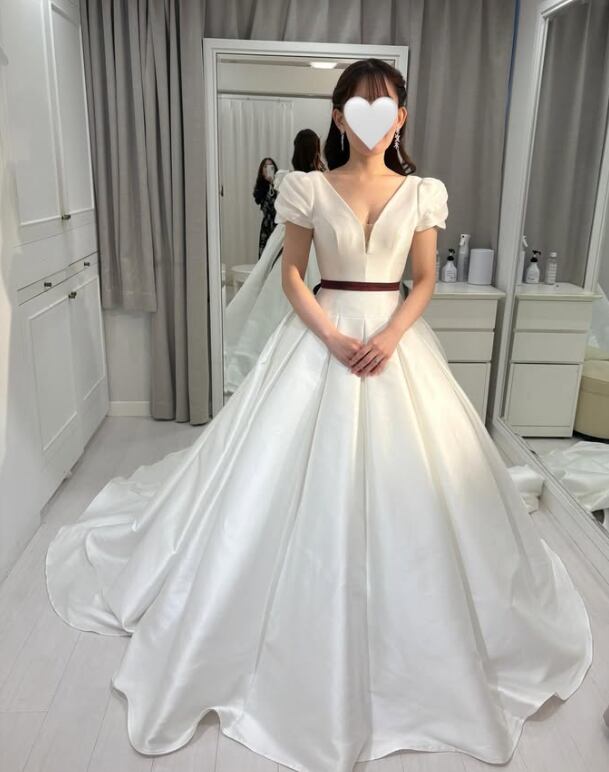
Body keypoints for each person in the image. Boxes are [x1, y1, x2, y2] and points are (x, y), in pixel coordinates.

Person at [44, 58, 593, 772]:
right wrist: (332, 336)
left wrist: (390, 336)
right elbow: (292, 275)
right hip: (321, 337)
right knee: (269, 480)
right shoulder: (308, 187)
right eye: (357, 108)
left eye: (386, 108)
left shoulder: (421, 193)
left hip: (395, 344)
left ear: (400, 119)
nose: (372, 120)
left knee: (423, 491)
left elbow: (425, 279)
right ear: (338, 117)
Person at [223, 129, 324, 393]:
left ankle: (264, 356)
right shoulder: (320, 180)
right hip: (313, 243)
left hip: (287, 241)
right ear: (317, 149)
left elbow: (278, 211)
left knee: (274, 298)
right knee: (309, 295)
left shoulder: (287, 179)